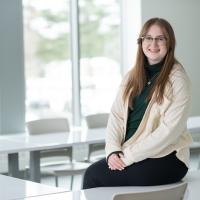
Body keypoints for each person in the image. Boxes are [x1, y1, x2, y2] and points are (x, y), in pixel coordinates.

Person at [82, 17, 192, 189]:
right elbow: (116, 117)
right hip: (130, 152)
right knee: (93, 173)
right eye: (148, 38)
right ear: (141, 42)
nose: (153, 44)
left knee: (95, 176)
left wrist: (127, 157)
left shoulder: (178, 80)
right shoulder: (132, 77)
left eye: (160, 38)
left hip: (168, 157)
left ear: (169, 43)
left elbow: (169, 132)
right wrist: (113, 151)